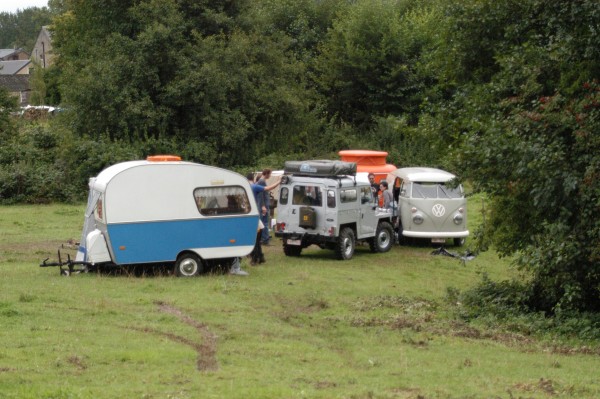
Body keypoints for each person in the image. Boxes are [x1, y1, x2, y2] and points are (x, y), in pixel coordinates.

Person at [246, 172, 281, 265]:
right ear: (253, 178)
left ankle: (256, 258)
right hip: (253, 216)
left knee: (255, 238)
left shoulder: (245, 188)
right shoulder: (254, 186)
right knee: (256, 238)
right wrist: (279, 182)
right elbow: (268, 188)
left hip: (249, 216)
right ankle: (259, 257)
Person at [256, 169, 273, 246]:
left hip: (264, 205)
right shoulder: (261, 181)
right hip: (264, 205)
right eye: (270, 174)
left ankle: (263, 239)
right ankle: (265, 240)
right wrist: (263, 206)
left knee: (264, 222)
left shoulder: (261, 181)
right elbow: (260, 195)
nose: (270, 175)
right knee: (265, 223)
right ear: (266, 173)